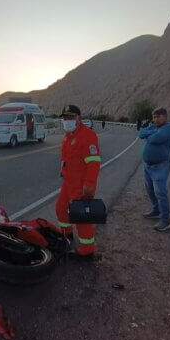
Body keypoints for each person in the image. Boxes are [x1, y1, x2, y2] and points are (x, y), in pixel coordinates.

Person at [56, 104, 101, 256]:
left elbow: (93, 162)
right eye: (64, 118)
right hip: (68, 182)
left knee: (81, 217)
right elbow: (67, 158)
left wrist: (89, 185)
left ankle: (87, 250)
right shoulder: (68, 136)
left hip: (81, 185)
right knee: (61, 209)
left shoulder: (87, 135)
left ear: (78, 118)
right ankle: (67, 236)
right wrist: (63, 171)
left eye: (70, 117)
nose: (67, 120)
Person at [138, 107, 170, 232]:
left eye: (158, 116)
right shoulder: (155, 127)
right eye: (154, 117)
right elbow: (140, 133)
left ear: (165, 116)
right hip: (147, 165)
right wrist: (150, 132)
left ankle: (166, 220)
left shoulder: (169, 128)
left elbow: (154, 139)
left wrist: (149, 133)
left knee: (160, 192)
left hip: (160, 166)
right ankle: (156, 210)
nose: (155, 119)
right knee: (150, 190)